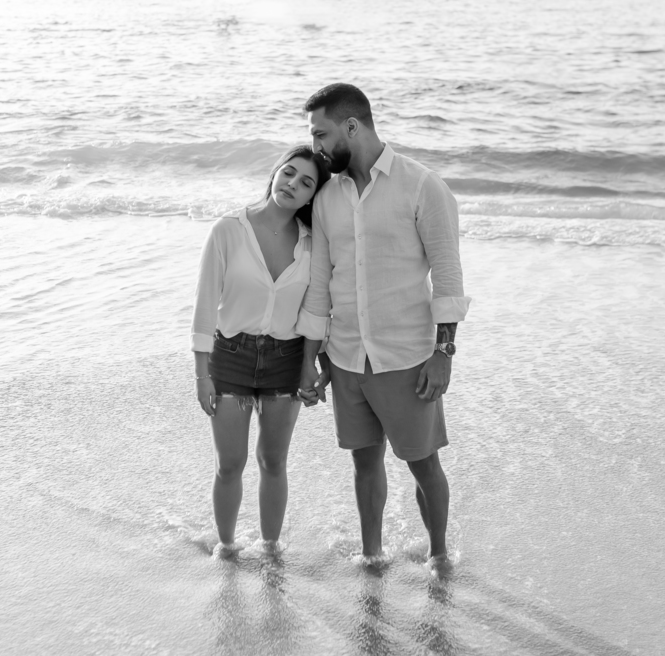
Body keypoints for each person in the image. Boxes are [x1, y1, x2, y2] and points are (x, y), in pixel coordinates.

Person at [295, 83, 471, 566]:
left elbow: (448, 277)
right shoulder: (328, 197)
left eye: (321, 134)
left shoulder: (422, 185)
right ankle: (372, 558)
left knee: (423, 464)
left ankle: (439, 556)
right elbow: (319, 284)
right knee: (364, 464)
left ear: (352, 126)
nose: (316, 148)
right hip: (347, 356)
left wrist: (444, 353)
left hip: (406, 357)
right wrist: (311, 359)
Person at [191, 145, 331, 553]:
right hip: (229, 358)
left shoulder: (313, 245)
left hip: (285, 363)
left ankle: (271, 550)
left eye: (306, 182)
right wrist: (202, 375)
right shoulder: (228, 230)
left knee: (273, 462)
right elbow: (203, 307)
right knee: (230, 464)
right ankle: (228, 548)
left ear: (312, 197)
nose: (292, 184)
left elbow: (316, 311)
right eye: (288, 173)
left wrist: (310, 364)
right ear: (274, 173)